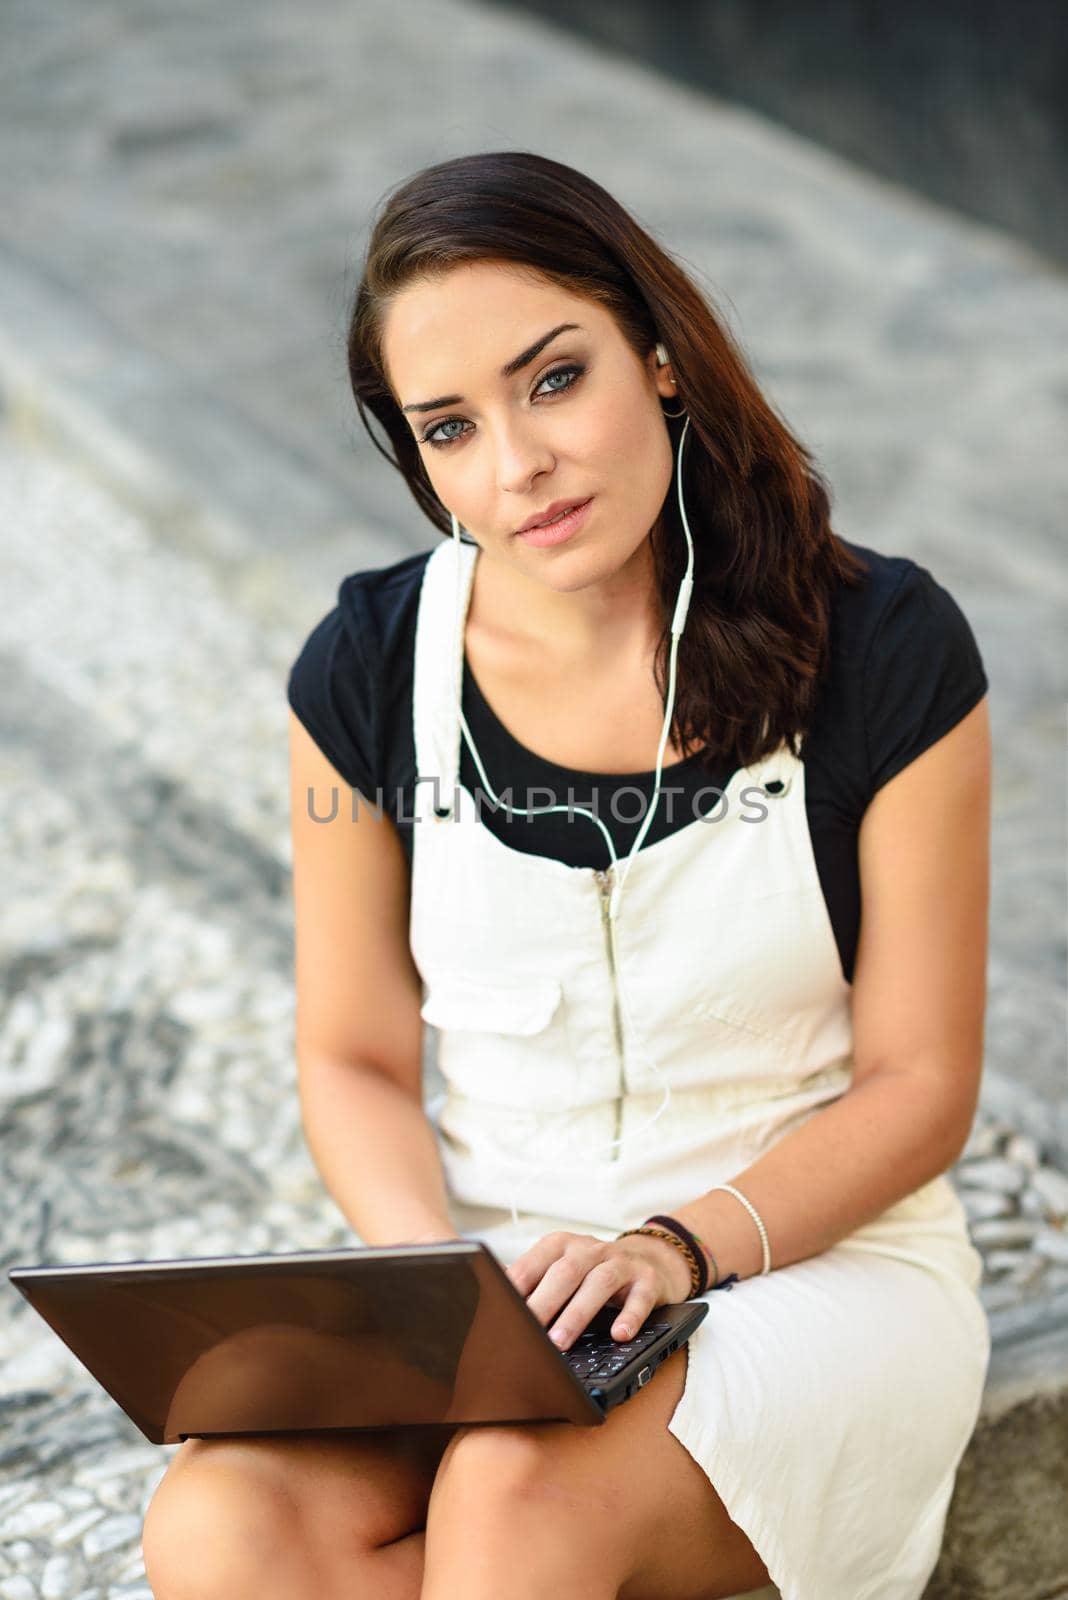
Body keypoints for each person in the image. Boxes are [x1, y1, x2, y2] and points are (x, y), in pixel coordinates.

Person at [142, 151, 993, 1600]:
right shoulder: (361, 674)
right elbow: (351, 1053)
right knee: (220, 1526)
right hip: (507, 1280)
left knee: (516, 1491)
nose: (515, 467)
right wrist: (436, 1300)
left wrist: (677, 1248)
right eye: (450, 430)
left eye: (554, 380)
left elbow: (922, 1085)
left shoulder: (888, 651)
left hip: (801, 1266)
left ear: (659, 359)